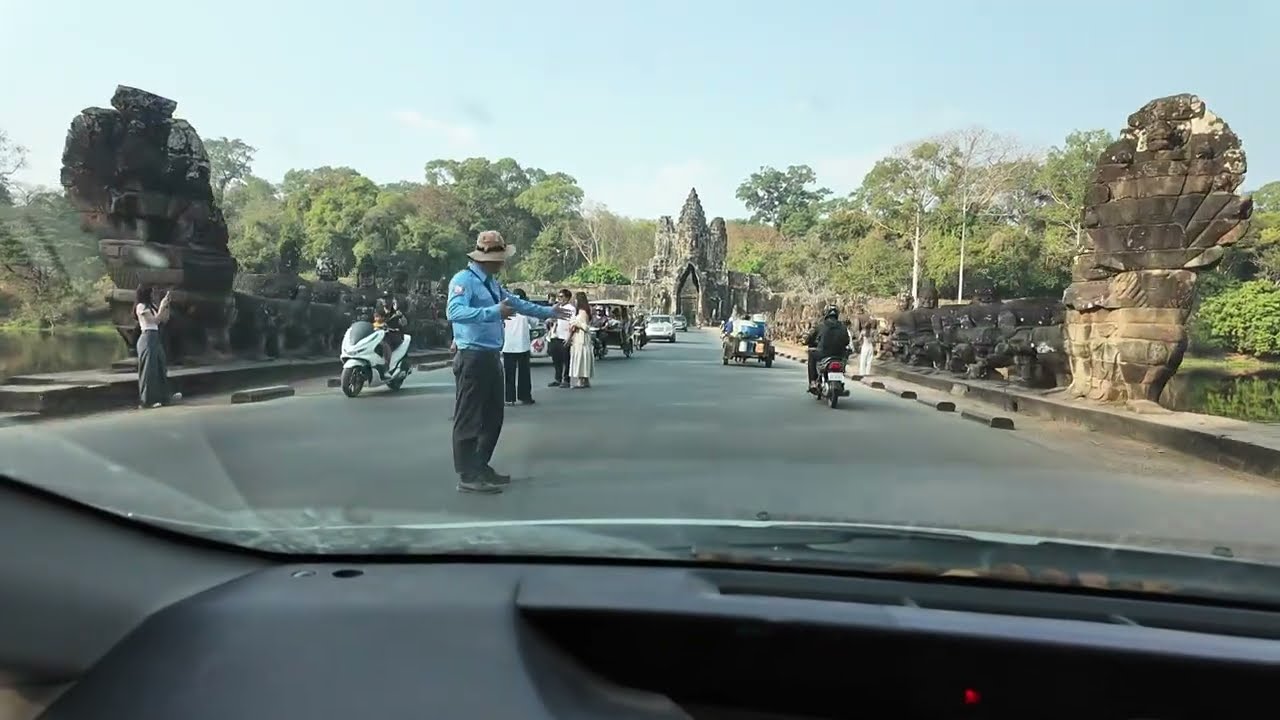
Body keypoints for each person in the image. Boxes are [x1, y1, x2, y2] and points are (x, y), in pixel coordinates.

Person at [447, 230, 568, 494]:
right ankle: (467, 474)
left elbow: (516, 303)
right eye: (500, 258)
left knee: (493, 417)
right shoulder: (464, 281)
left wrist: (548, 311)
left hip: (491, 355)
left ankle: (481, 465)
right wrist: (493, 312)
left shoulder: (491, 283)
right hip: (472, 356)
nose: (503, 263)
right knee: (469, 417)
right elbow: (454, 311)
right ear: (486, 259)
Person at [134, 286, 181, 409]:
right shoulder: (140, 307)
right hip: (147, 338)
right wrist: (161, 307)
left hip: (155, 337)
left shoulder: (152, 307)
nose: (153, 295)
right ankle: (147, 400)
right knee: (149, 370)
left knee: (160, 366)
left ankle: (164, 397)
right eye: (151, 293)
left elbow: (164, 319)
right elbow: (154, 321)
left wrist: (166, 305)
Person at [804, 305, 851, 394]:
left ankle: (813, 382)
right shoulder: (843, 327)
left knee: (811, 354)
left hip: (823, 354)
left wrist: (807, 341)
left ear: (825, 314)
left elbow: (809, 337)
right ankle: (841, 380)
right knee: (845, 358)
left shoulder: (820, 325)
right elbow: (847, 341)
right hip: (839, 355)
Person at [502, 288, 535, 406]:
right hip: (522, 345)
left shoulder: (505, 308)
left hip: (508, 346)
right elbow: (534, 322)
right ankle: (525, 396)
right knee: (524, 373)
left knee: (509, 374)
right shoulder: (525, 309)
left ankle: (509, 398)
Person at [567, 291, 596, 389]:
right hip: (578, 337)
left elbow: (586, 327)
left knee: (581, 357)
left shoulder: (583, 312)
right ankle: (584, 380)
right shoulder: (579, 311)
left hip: (582, 337)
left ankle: (581, 380)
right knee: (581, 357)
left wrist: (576, 324)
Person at [546, 288, 574, 388]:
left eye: (561, 297)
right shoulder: (557, 307)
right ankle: (557, 378)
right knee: (556, 359)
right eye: (559, 297)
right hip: (555, 335)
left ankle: (566, 379)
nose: (560, 299)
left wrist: (570, 338)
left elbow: (572, 323)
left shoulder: (571, 308)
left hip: (564, 336)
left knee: (566, 359)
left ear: (567, 298)